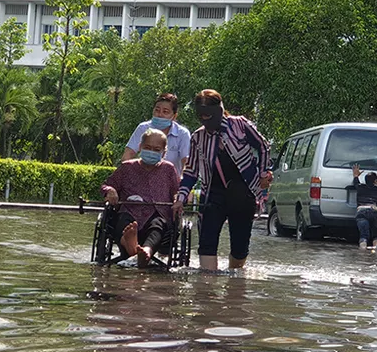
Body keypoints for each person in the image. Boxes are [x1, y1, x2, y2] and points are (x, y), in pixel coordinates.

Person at [173, 90, 272, 271]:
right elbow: (191, 171)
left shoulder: (240, 125)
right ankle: (206, 284)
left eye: (208, 116)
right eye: (201, 117)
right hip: (212, 194)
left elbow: (263, 146)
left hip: (243, 192)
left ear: (219, 110)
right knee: (207, 243)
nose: (205, 121)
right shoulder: (198, 138)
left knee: (240, 248)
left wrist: (263, 174)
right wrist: (181, 198)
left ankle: (235, 283)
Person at [102, 129, 181, 268]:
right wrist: (110, 190)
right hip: (130, 211)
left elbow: (177, 191)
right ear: (140, 147)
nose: (151, 152)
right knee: (124, 220)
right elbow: (107, 185)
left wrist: (177, 200)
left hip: (158, 212)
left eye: (156, 149)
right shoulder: (127, 167)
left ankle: (146, 251)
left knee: (158, 225)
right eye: (147, 148)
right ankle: (130, 244)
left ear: (164, 152)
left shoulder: (168, 169)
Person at [121, 93, 192, 175]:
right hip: (143, 178)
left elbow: (186, 162)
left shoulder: (182, 134)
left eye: (165, 112)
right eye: (157, 110)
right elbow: (127, 155)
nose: (160, 114)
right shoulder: (143, 128)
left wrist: (182, 181)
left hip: (171, 180)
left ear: (174, 116)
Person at [351, 164, 377, 250]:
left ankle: (363, 250)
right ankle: (375, 249)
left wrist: (356, 175)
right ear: (375, 181)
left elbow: (356, 182)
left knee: (363, 236)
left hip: (361, 211)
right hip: (373, 211)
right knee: (376, 236)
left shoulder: (360, 187)